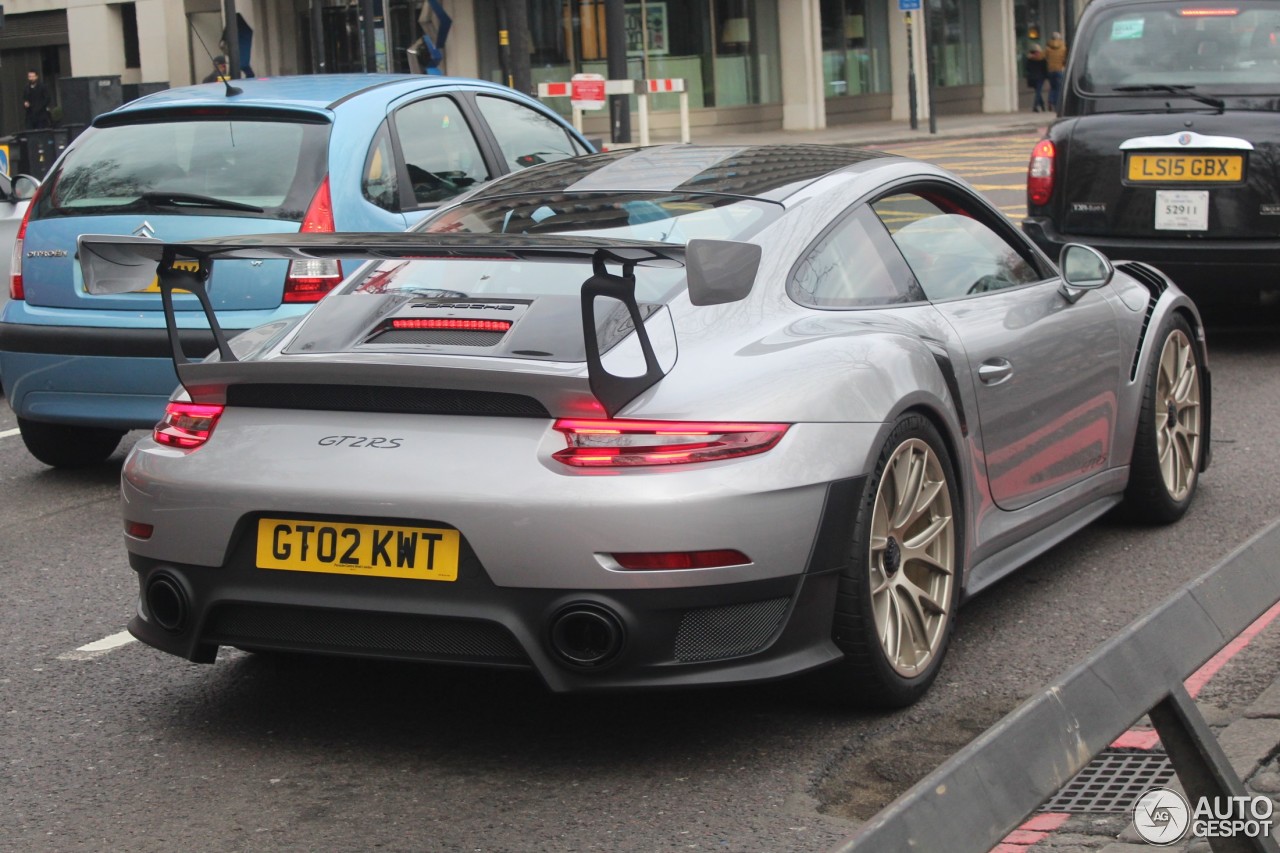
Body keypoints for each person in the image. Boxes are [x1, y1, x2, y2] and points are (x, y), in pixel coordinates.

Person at [1045, 32, 1068, 112]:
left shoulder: (1048, 48)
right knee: (1059, 88)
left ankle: (1050, 101)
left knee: (1053, 87)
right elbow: (1065, 59)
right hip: (1059, 69)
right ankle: (1057, 105)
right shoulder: (1063, 47)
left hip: (1050, 70)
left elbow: (1045, 57)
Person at [1024, 44, 1048, 112]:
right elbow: (1044, 68)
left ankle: (1042, 105)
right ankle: (1035, 106)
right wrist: (1046, 76)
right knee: (1038, 92)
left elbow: (1027, 68)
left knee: (1038, 92)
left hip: (1032, 77)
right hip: (1040, 77)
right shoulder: (1042, 59)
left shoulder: (1029, 59)